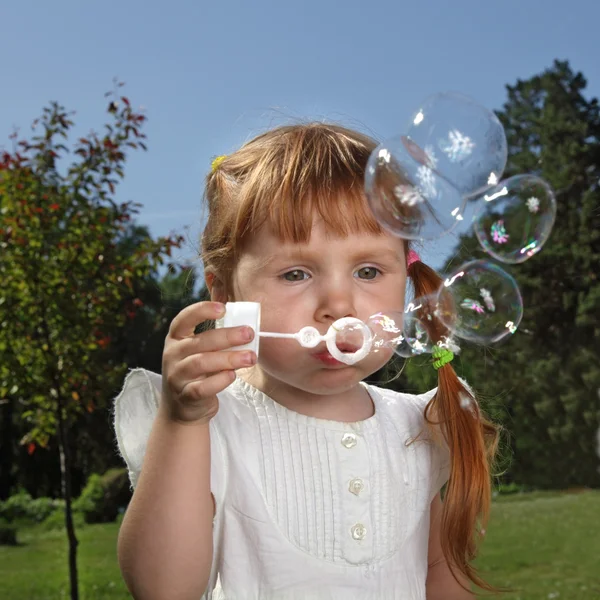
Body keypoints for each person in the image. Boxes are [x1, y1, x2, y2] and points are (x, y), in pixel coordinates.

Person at [113, 123, 499, 600]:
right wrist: (181, 419)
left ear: (407, 280)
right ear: (225, 295)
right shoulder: (208, 427)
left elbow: (439, 576)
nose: (338, 303)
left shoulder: (418, 426)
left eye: (369, 271)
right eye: (295, 273)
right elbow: (163, 589)